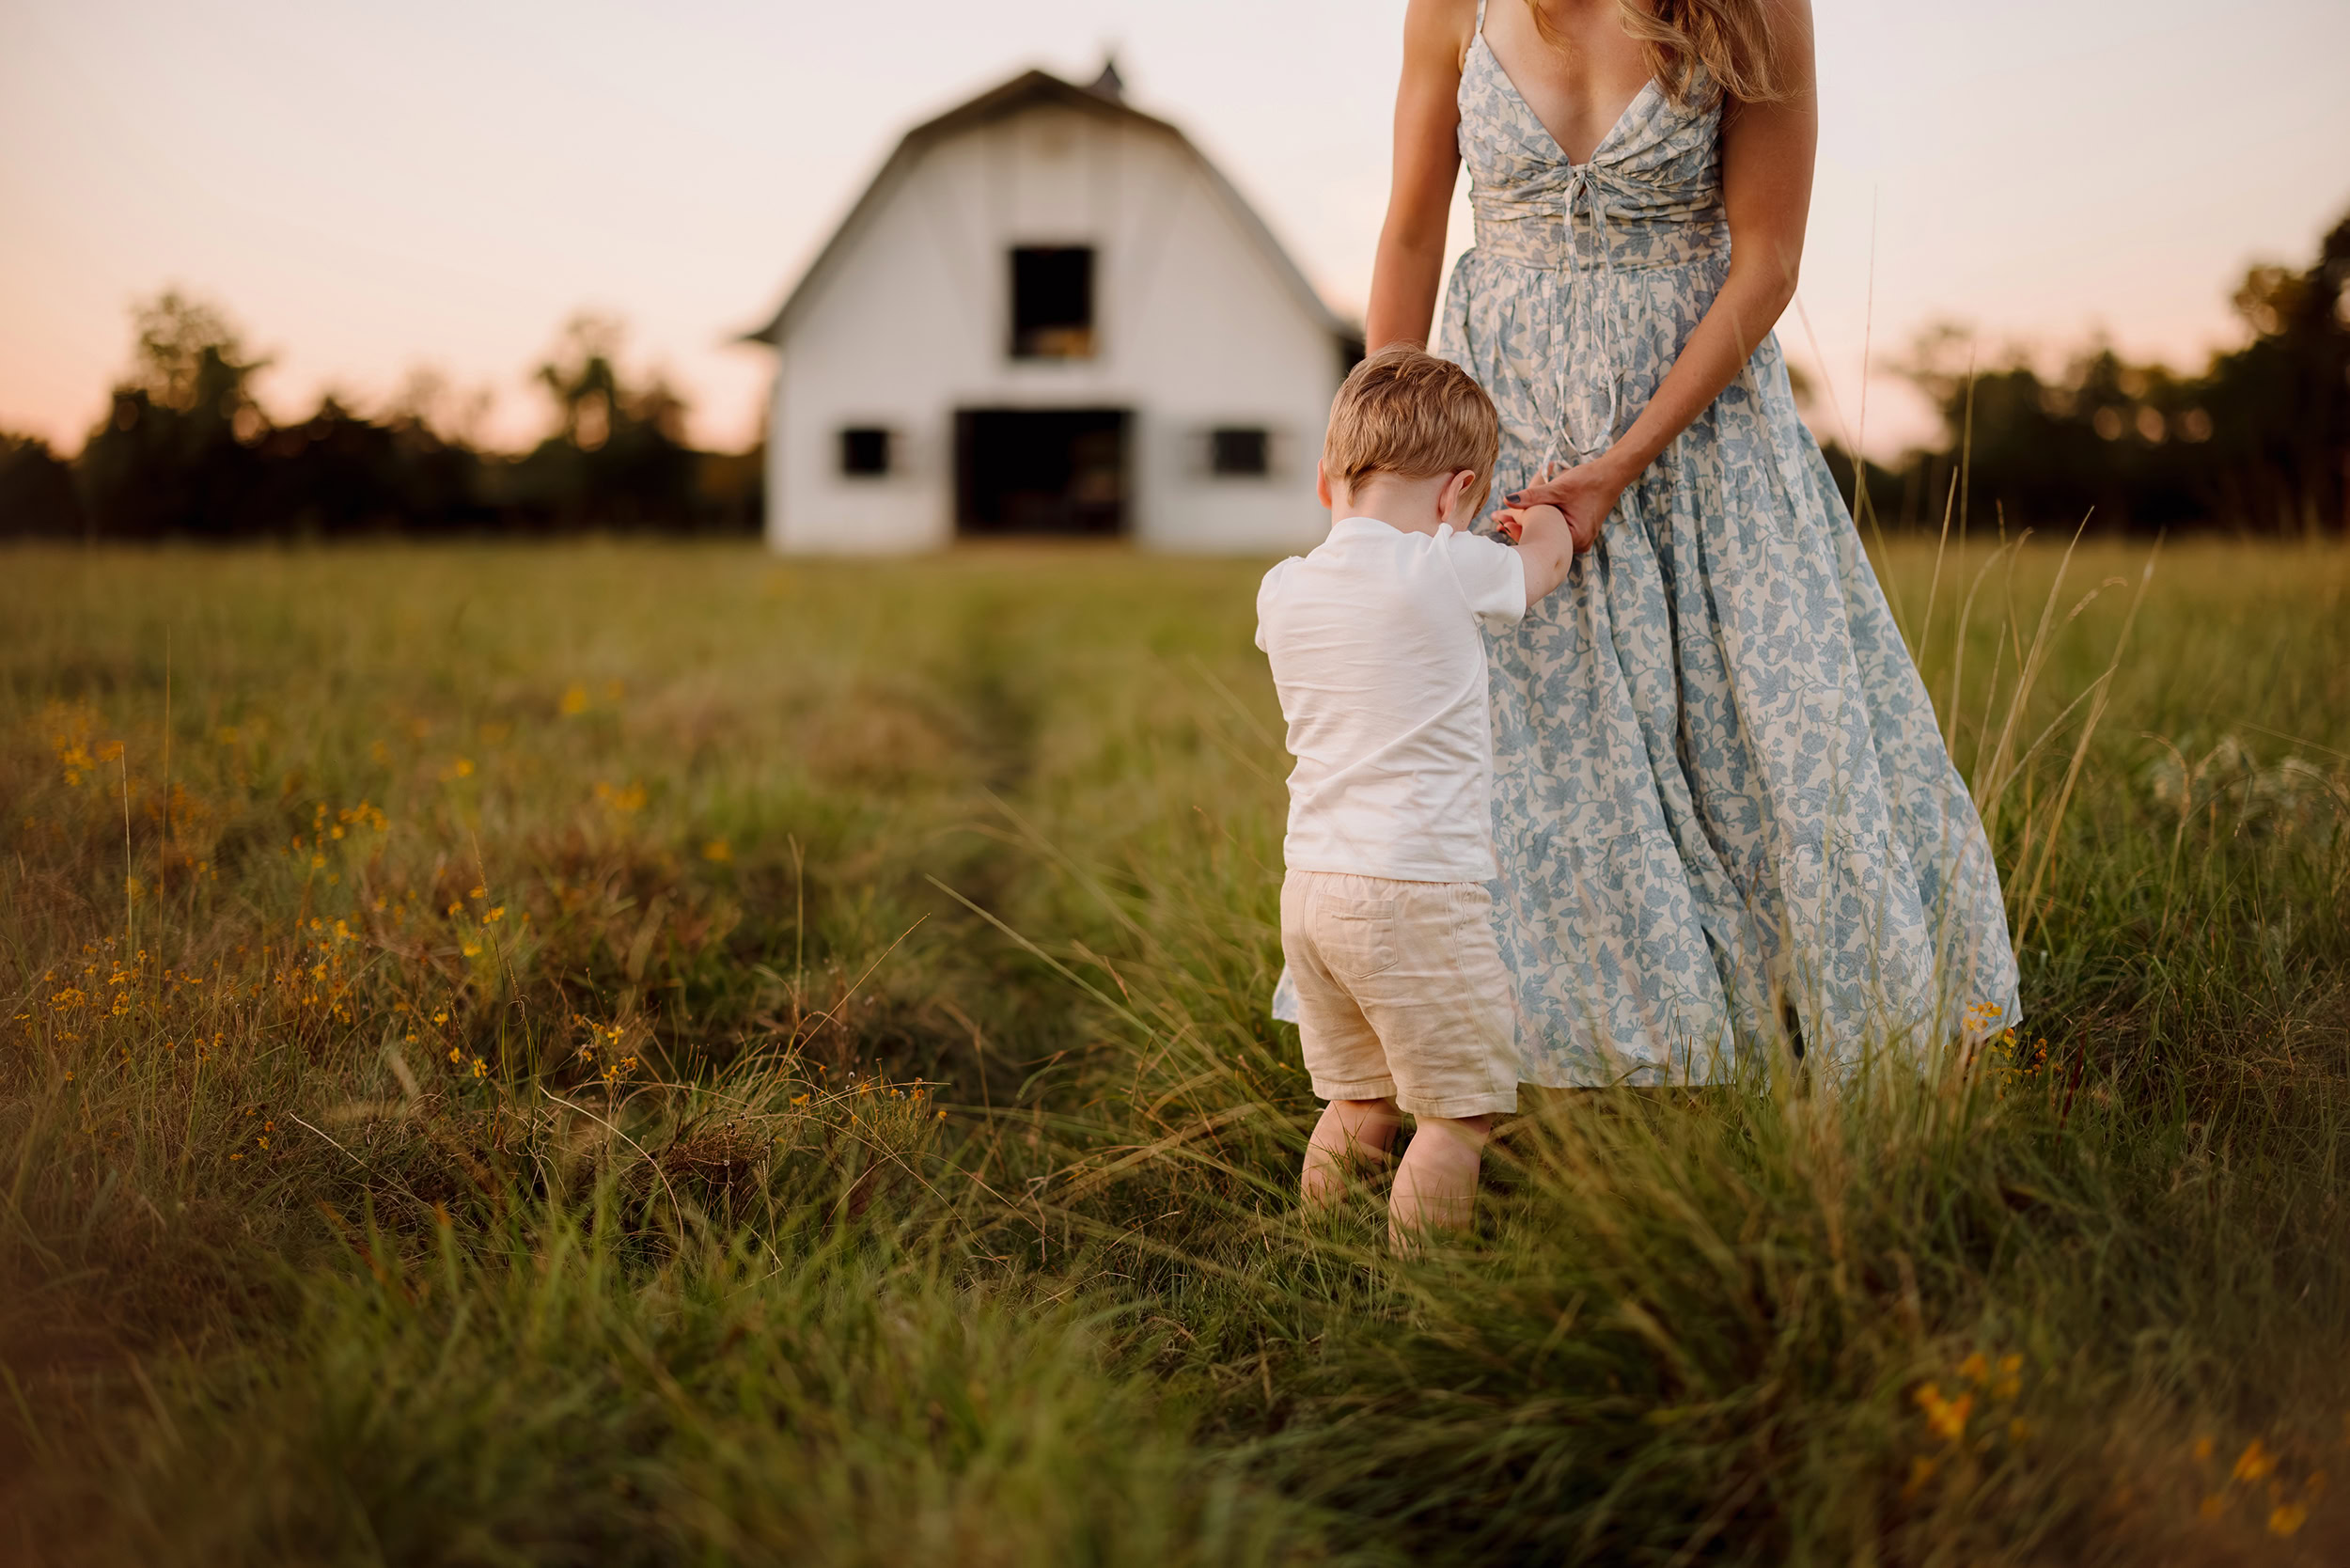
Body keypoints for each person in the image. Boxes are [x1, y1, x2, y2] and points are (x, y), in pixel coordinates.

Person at [1295, 0, 2021, 1082]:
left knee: (1762, 731)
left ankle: (1774, 1040)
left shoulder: (1757, 7)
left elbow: (1768, 259)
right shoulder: (1454, 6)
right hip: (1500, 420)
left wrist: (1624, 459)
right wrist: (1379, 467)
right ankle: (1506, 1061)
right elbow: (1409, 229)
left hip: (1699, 425)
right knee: (1521, 745)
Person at [1257, 347, 1577, 1245]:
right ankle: (1424, 1295)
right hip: (1416, 894)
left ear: (1328, 483)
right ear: (1455, 494)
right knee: (1455, 1118)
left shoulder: (1282, 589)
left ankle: (1316, 1256)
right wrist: (1541, 515)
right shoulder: (1443, 565)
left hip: (1310, 890)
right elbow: (1543, 568)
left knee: (1359, 1097)